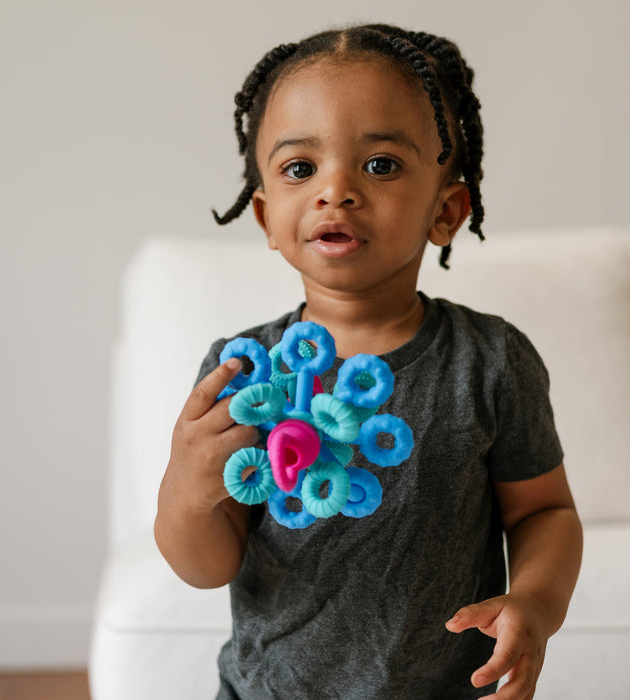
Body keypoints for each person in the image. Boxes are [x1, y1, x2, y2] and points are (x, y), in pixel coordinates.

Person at [154, 23, 583, 699]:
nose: (336, 190)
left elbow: (544, 514)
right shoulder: (247, 373)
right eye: (301, 168)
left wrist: (536, 603)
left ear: (446, 210)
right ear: (266, 217)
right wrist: (186, 486)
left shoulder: (491, 361)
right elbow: (207, 566)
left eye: (380, 164)